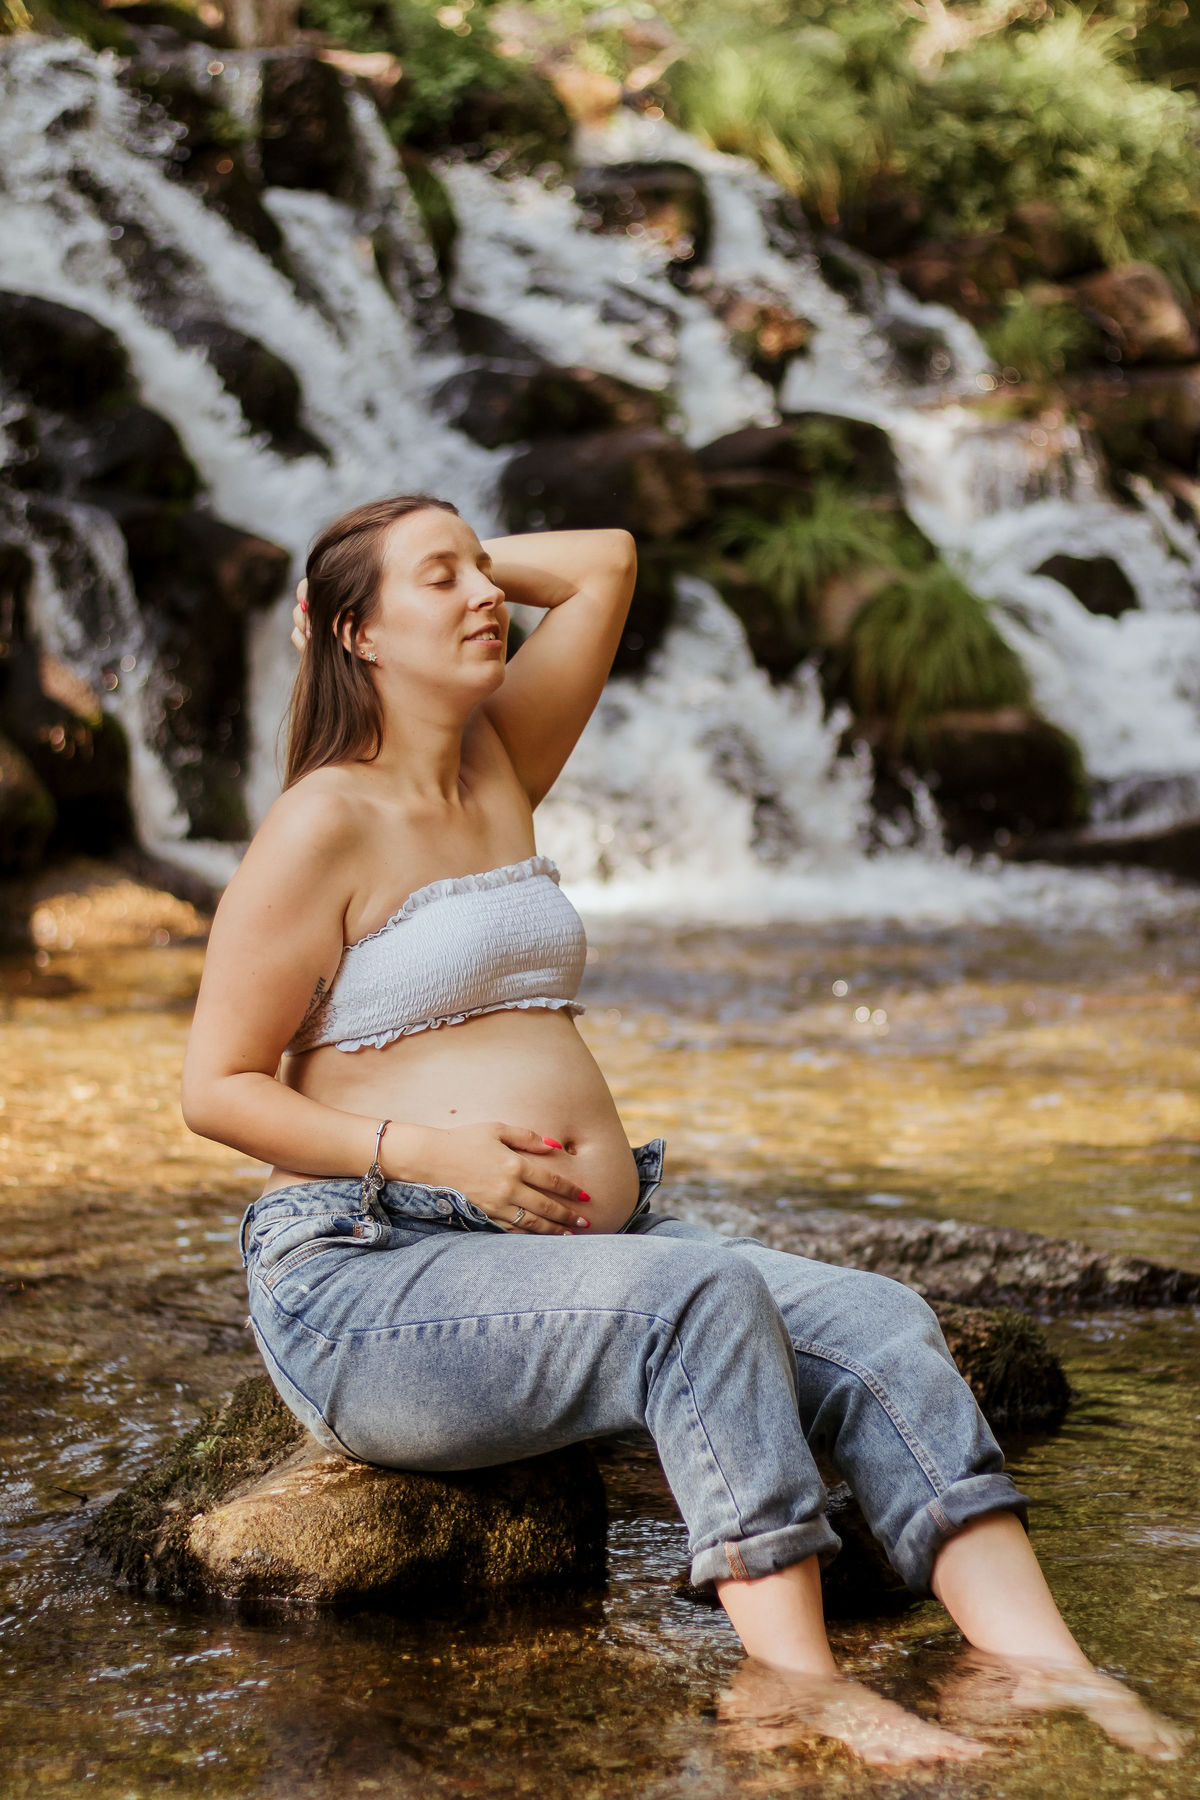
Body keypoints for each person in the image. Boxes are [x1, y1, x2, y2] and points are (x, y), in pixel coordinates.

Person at [182, 494, 1184, 1768]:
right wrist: (434, 1153)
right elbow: (214, 1088)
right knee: (693, 1295)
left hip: (558, 1255)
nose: (484, 594)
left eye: (482, 570)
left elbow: (605, 564)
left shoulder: (497, 764)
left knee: (880, 1322)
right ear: (358, 636)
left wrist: (456, 558)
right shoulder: (323, 821)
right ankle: (794, 1685)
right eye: (438, 582)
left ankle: (1044, 1666)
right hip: (369, 1273)